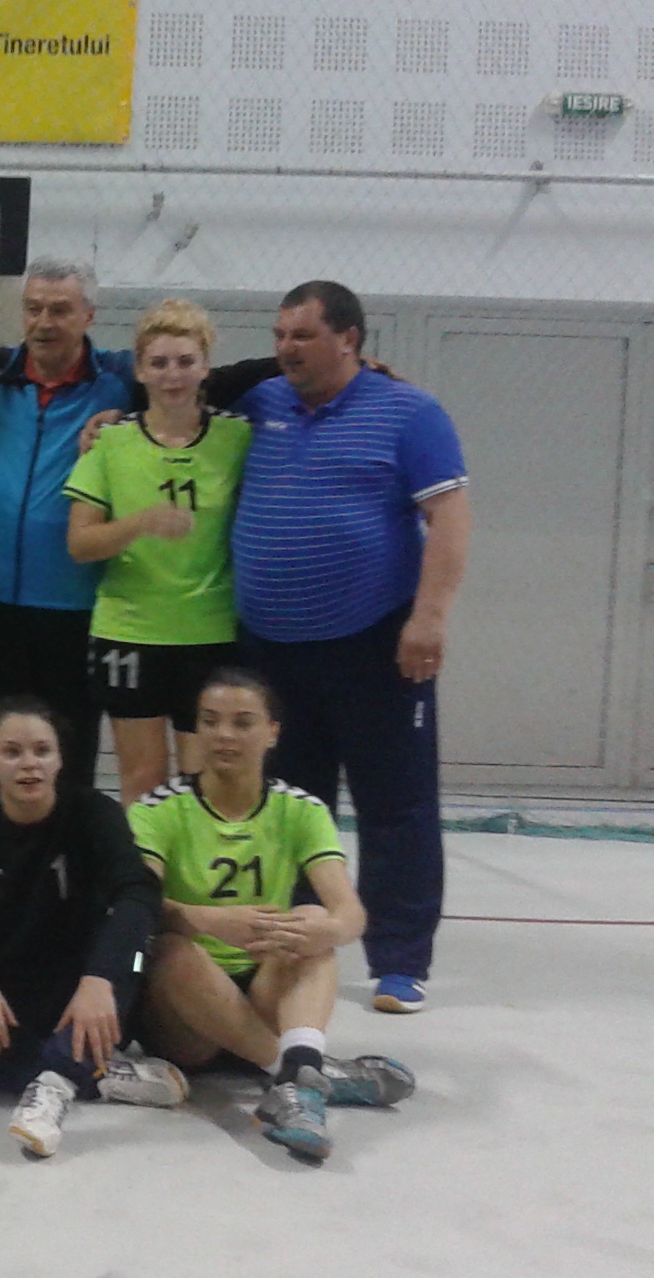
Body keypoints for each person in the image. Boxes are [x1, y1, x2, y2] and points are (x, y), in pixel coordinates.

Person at [224, 280, 469, 1015]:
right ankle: (302, 945)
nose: (285, 350)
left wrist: (429, 619)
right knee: (293, 807)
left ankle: (400, 961)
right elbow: (169, 398)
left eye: (302, 336)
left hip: (376, 646)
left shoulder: (410, 413)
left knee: (395, 804)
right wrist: (108, 420)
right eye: (279, 336)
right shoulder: (258, 403)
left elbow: (451, 518)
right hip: (270, 651)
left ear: (350, 340)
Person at [134, 671, 418, 1161]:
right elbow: (135, 903)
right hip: (185, 1024)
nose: (224, 735)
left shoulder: (300, 809)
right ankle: (300, 1072)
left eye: (242, 722)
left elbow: (350, 913)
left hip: (264, 996)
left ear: (272, 732)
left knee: (310, 920)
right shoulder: (158, 809)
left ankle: (295, 1074)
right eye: (210, 722)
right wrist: (209, 920)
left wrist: (328, 928)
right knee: (173, 950)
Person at [0, 697, 188, 1159]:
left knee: (131, 952)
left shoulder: (93, 813)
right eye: (12, 752)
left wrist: (98, 979)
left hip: (85, 993)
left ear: (60, 759)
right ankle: (94, 1074)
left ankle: (51, 1084)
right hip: (2, 993)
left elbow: (138, 896)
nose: (29, 764)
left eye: (42, 751)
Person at [66, 299, 250, 802]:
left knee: (206, 783)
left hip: (209, 633)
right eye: (160, 363)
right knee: (143, 783)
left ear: (205, 367)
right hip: (131, 632)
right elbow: (80, 544)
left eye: (186, 361)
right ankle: (141, 860)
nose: (173, 375)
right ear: (141, 370)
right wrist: (140, 523)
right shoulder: (111, 442)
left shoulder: (236, 437)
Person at [0, 260, 136, 781]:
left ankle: (69, 837)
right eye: (34, 308)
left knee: (69, 752)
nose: (44, 322)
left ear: (89, 315)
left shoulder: (121, 381)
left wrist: (127, 419)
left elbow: (195, 390)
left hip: (74, 606)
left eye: (60, 310)